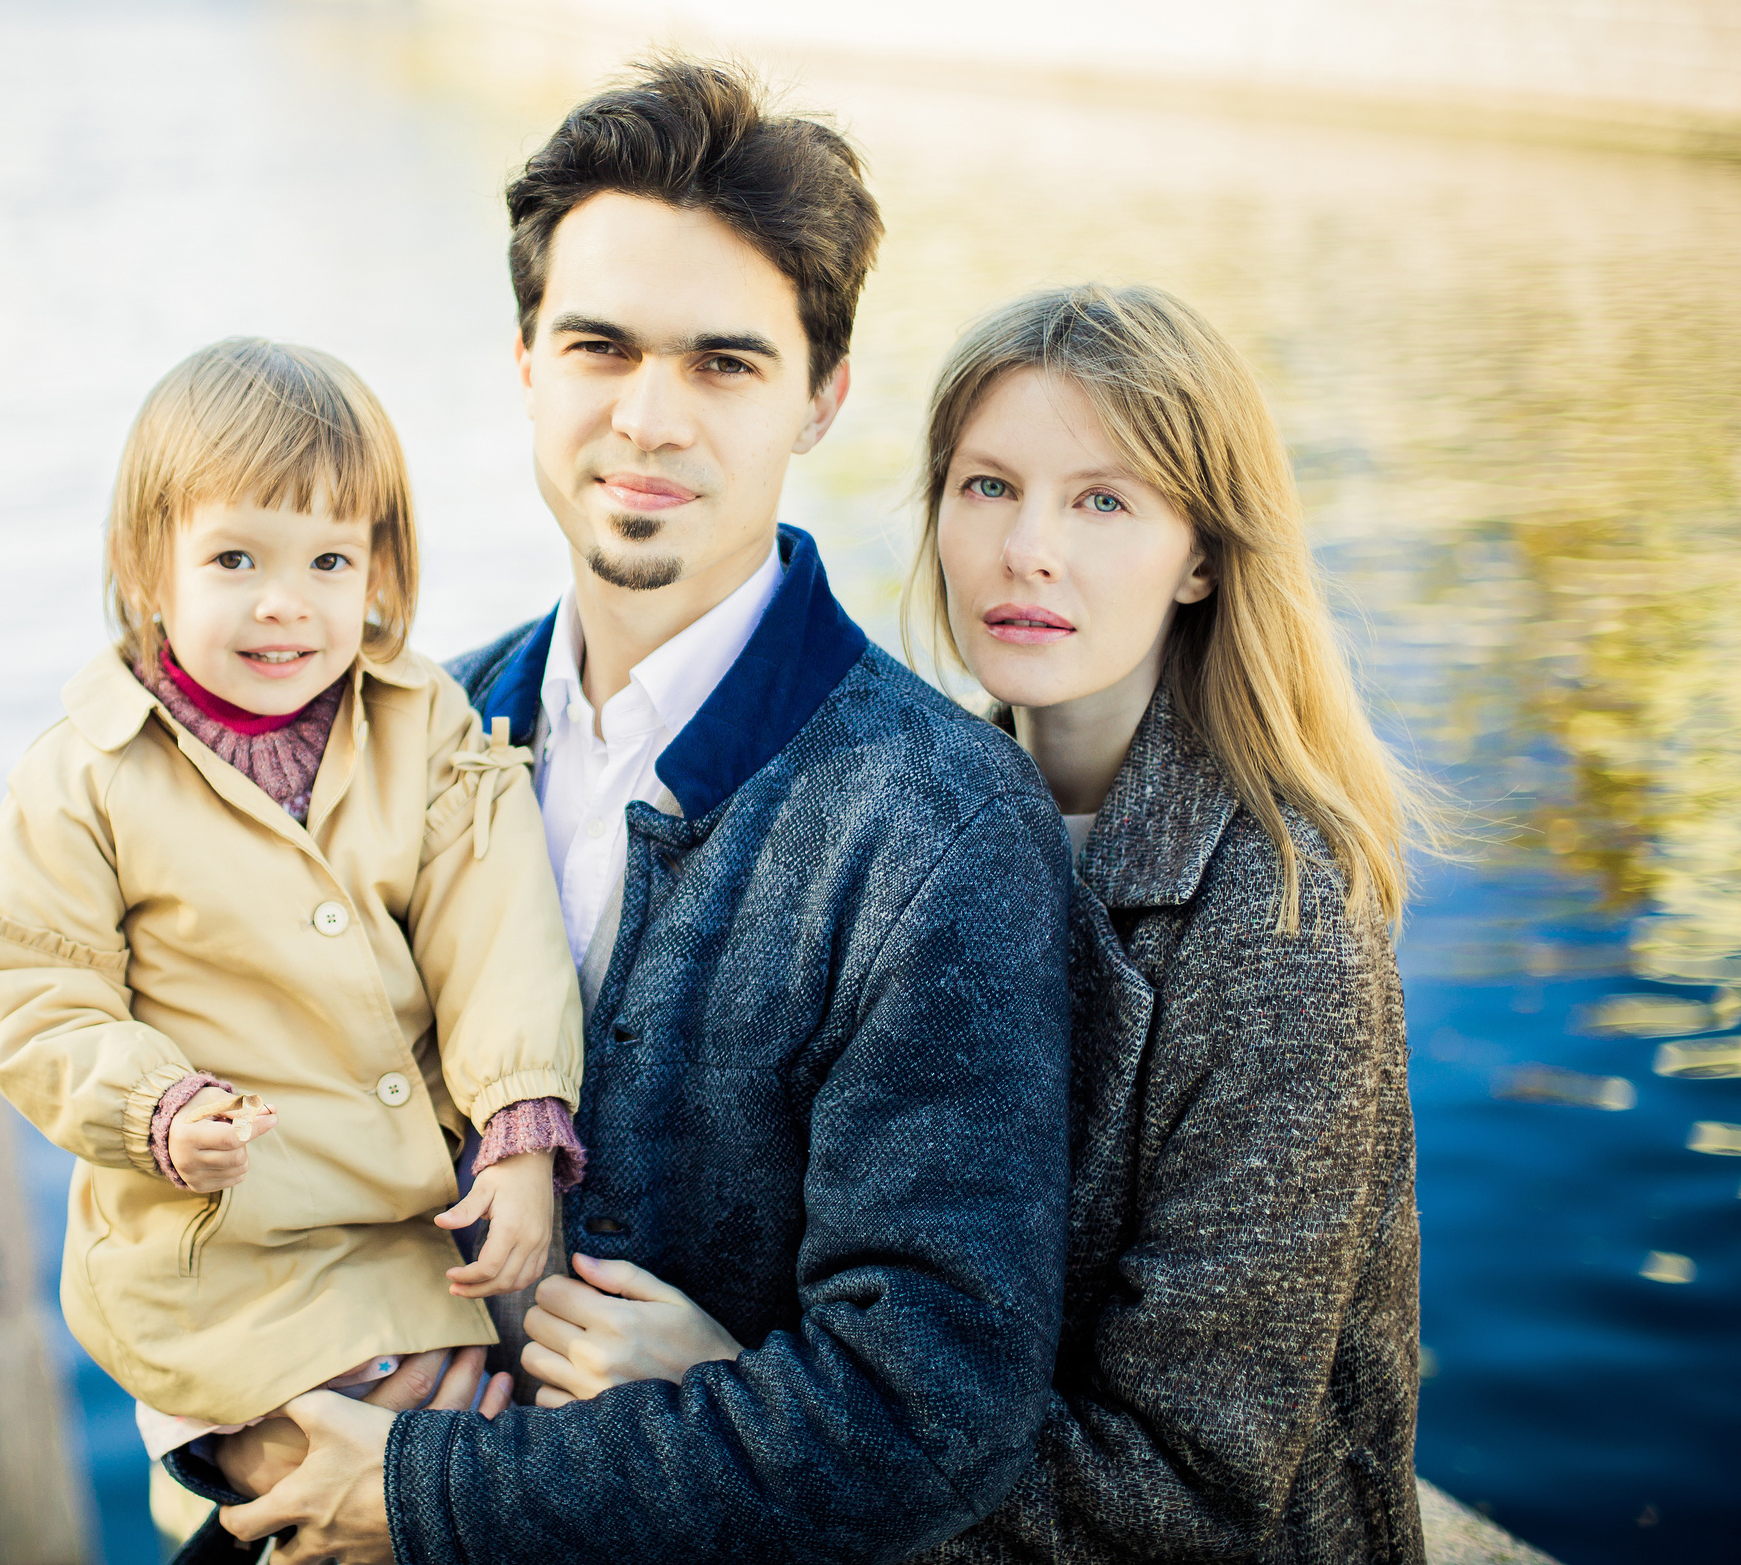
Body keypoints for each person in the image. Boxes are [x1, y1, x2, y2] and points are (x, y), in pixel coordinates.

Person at [211, 60, 1079, 1564]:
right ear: (527, 363)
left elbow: (935, 1405)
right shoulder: (385, 730)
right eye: (600, 345)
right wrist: (240, 1415)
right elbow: (209, 1146)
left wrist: (431, 1494)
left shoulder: (938, 827)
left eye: (725, 363)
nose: (648, 419)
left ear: (823, 397)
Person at [511, 284, 1432, 1562]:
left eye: (1103, 501)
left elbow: (1184, 1484)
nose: (1027, 551)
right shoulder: (910, 814)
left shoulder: (1279, 927)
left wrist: (740, 1400)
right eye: (987, 486)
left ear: (1205, 554)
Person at [0, 337, 583, 1528]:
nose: (285, 604)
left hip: (408, 1229)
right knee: (310, 1479)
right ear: (147, 564)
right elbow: (30, 990)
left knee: (477, 1450)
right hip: (225, 1247)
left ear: (379, 568)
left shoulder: (419, 722)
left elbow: (497, 924)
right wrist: (155, 1106)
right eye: (234, 558)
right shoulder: (83, 777)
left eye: (329, 557)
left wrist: (520, 1123)